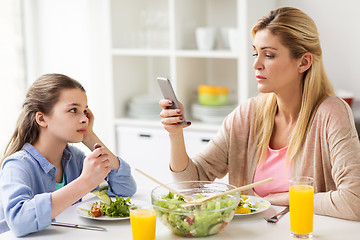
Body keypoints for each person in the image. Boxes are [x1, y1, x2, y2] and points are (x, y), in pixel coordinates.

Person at [159, 7, 360, 221]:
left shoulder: (331, 113)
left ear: (304, 62)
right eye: (255, 53)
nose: (256, 64)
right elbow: (191, 184)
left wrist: (283, 198)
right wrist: (175, 135)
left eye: (269, 55)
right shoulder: (247, 115)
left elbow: (354, 201)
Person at [0, 73, 137, 236]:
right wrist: (85, 182)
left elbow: (125, 188)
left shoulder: (74, 158)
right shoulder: (17, 165)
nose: (84, 118)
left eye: (85, 111)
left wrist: (89, 136)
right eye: (73, 110)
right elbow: (19, 221)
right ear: (42, 118)